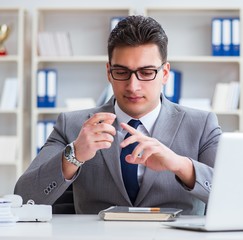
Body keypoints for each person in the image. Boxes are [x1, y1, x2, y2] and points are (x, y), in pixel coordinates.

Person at [14, 15, 222, 215]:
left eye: (147, 72)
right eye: (121, 72)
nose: (133, 86)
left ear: (165, 73)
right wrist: (74, 155)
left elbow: (233, 196)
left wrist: (180, 165)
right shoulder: (73, 125)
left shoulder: (201, 125)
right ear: (108, 72)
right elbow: (24, 198)